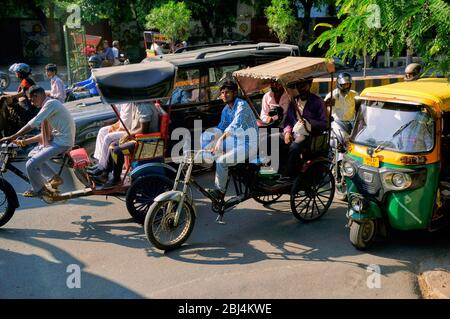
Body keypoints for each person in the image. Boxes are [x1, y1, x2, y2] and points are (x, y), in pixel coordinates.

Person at [0, 85, 75, 197]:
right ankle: (54, 178)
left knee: (30, 164)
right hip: (58, 139)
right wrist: (25, 141)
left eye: (31, 99)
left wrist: (13, 136)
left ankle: (39, 189)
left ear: (37, 95)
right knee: (32, 154)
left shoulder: (50, 104)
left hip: (62, 142)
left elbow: (33, 123)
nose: (31, 103)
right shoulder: (49, 105)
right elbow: (45, 135)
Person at [203, 80, 259, 200]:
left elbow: (235, 124)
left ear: (234, 92)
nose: (224, 95)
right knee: (208, 151)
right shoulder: (226, 109)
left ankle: (220, 191)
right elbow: (221, 127)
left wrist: (221, 139)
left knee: (222, 160)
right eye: (222, 93)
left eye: (227, 92)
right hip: (235, 141)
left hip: (248, 143)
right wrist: (212, 141)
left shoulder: (241, 105)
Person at [92, 101, 160, 188]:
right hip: (138, 139)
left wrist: (129, 134)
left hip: (146, 142)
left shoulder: (144, 107)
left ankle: (116, 179)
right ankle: (105, 173)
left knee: (117, 151)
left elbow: (144, 130)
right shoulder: (138, 105)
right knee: (112, 145)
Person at [283, 78, 328, 177]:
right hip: (294, 133)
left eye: (304, 84)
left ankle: (288, 176)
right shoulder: (293, 102)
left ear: (310, 84)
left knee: (295, 146)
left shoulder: (317, 101)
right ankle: (273, 170)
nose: (301, 87)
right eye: (299, 85)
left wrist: (309, 122)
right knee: (272, 138)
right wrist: (287, 132)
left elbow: (324, 124)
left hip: (309, 135)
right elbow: (288, 121)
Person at [87, 103, 133, 176]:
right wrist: (113, 126)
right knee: (102, 131)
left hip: (129, 131)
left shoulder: (130, 104)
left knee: (108, 137)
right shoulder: (124, 103)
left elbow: (126, 124)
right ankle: (100, 163)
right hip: (124, 128)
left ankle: (102, 167)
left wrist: (116, 129)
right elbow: (121, 120)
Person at [0, 63, 38, 137]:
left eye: (16, 72)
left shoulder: (26, 81)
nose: (15, 73)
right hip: (27, 106)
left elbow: (23, 93)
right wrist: (7, 95)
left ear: (21, 73)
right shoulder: (26, 80)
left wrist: (8, 96)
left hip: (27, 108)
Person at [324, 72, 358, 142]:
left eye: (348, 84)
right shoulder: (332, 95)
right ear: (339, 84)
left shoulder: (354, 94)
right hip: (337, 123)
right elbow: (323, 108)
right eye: (344, 84)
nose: (346, 86)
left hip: (351, 123)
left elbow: (359, 108)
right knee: (345, 140)